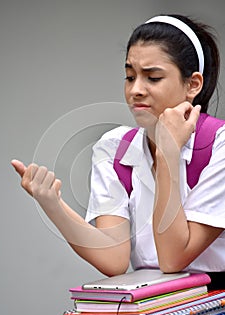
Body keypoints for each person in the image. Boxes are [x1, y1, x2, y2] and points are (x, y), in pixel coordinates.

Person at [12, 14, 225, 290]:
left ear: (193, 85)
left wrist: (167, 154)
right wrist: (53, 203)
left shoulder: (219, 146)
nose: (135, 90)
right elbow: (114, 258)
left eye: (153, 77)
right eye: (129, 76)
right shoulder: (114, 149)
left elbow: (173, 258)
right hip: (153, 307)